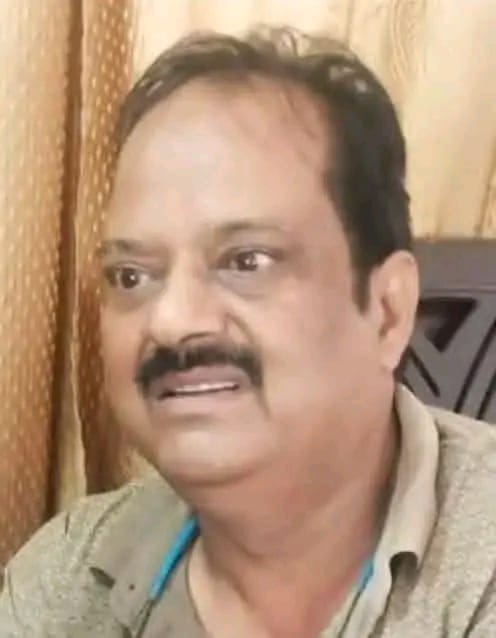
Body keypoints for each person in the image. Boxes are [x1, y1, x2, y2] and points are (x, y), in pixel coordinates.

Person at [1, 27, 495, 638]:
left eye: (246, 261)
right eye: (131, 275)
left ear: (388, 310)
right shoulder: (69, 576)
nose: (171, 321)